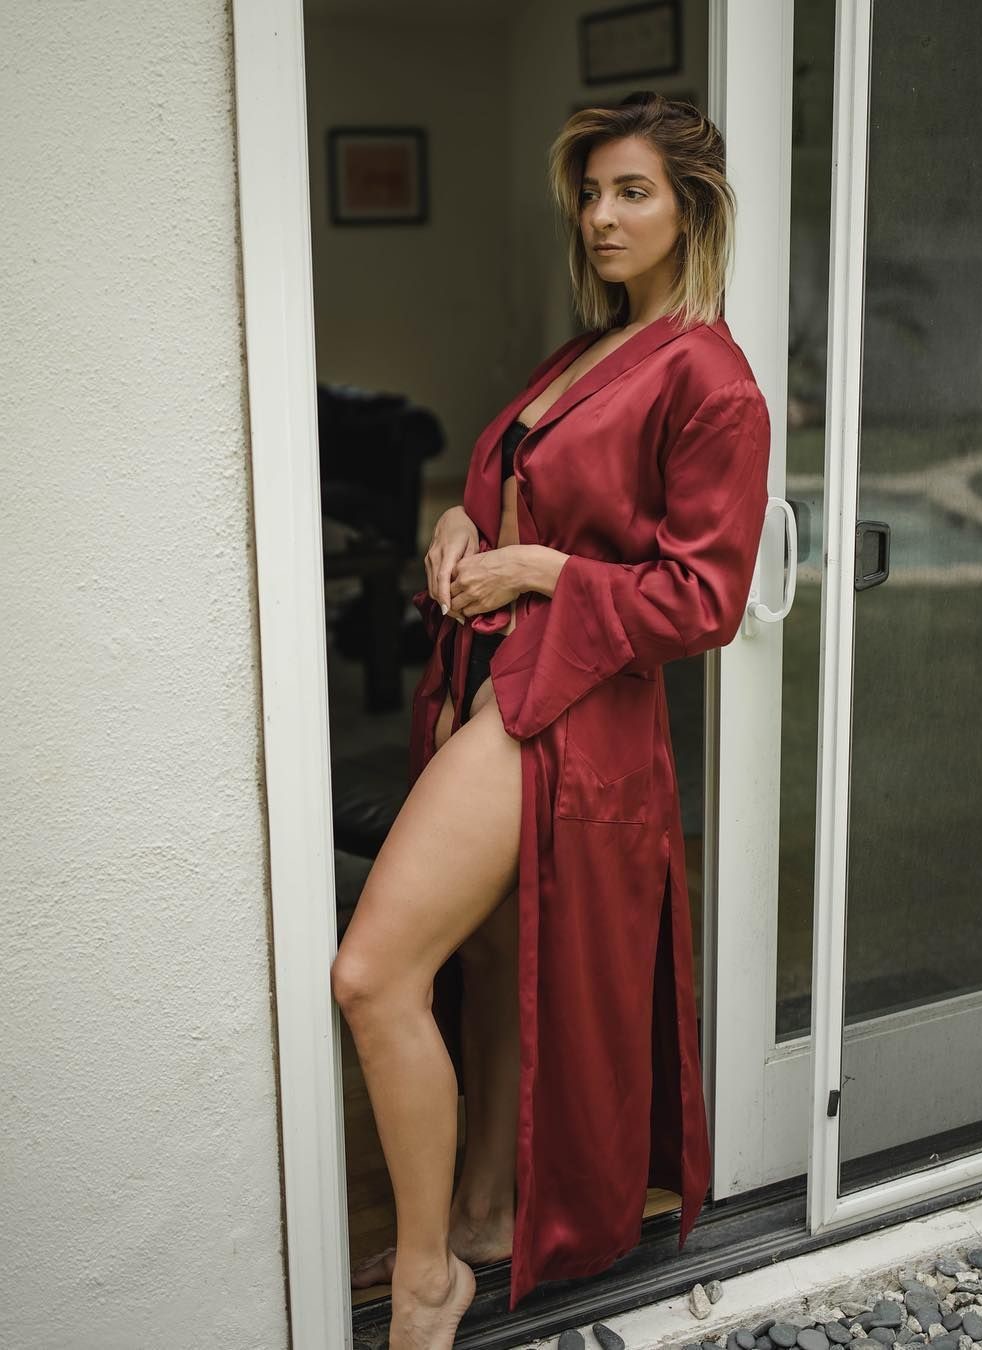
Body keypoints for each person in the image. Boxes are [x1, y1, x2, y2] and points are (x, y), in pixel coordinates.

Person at [330, 90, 772, 1349]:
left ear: (693, 208)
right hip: (491, 681)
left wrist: (538, 572)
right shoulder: (591, 350)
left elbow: (704, 599)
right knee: (488, 965)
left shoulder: (712, 378)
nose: (601, 217)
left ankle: (429, 1278)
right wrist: (458, 523)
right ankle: (478, 1214)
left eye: (633, 192)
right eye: (590, 194)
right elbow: (513, 486)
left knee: (374, 974)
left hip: (562, 710)